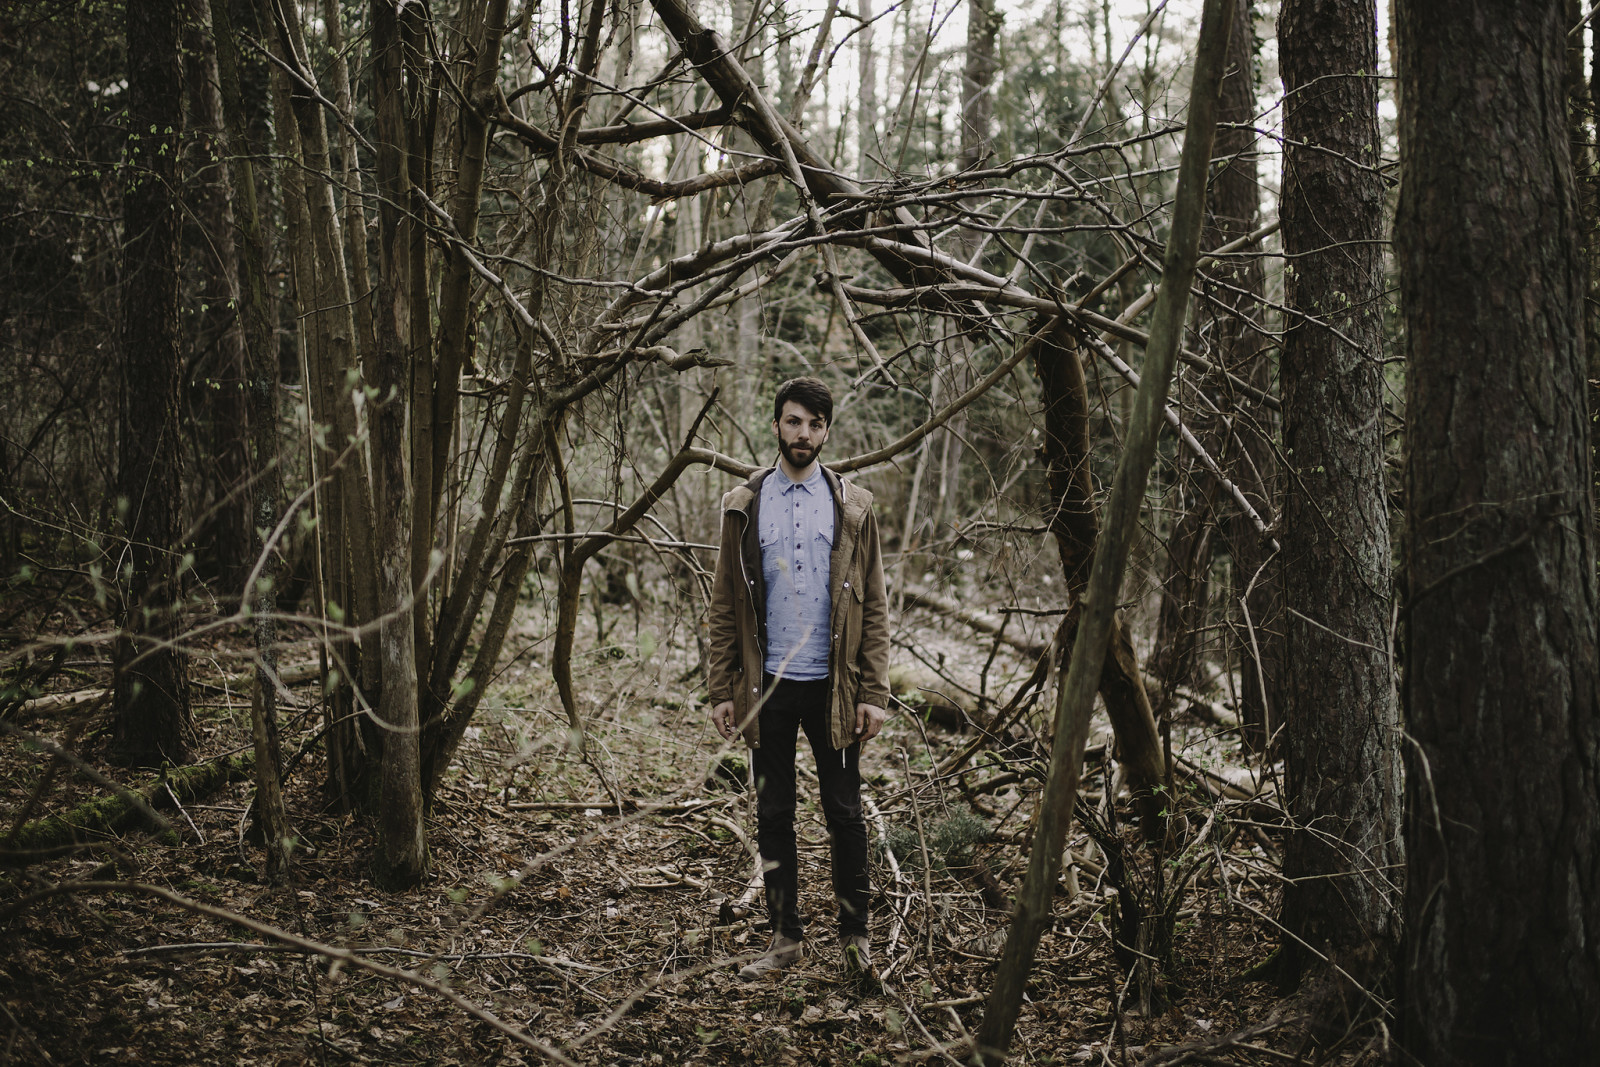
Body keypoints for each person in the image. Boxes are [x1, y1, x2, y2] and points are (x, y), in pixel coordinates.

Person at [708, 376, 892, 981]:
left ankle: (854, 938)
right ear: (777, 425)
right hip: (768, 689)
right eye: (793, 422)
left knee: (843, 813)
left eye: (814, 424)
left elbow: (874, 607)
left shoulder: (852, 506)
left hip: (833, 689)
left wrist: (874, 694)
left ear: (827, 431)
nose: (803, 434)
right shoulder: (745, 505)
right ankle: (785, 939)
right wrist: (720, 690)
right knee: (773, 814)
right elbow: (725, 606)